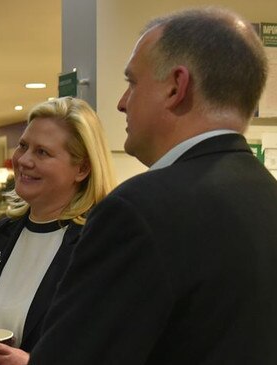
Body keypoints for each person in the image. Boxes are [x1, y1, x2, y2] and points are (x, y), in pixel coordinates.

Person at [28, 7, 277, 364]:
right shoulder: (268, 196)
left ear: (176, 86)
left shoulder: (137, 211)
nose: (121, 102)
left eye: (132, 83)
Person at [0, 96, 116, 365]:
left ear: (82, 168)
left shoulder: (99, 245)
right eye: (23, 146)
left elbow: (113, 351)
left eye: (42, 152)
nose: (23, 160)